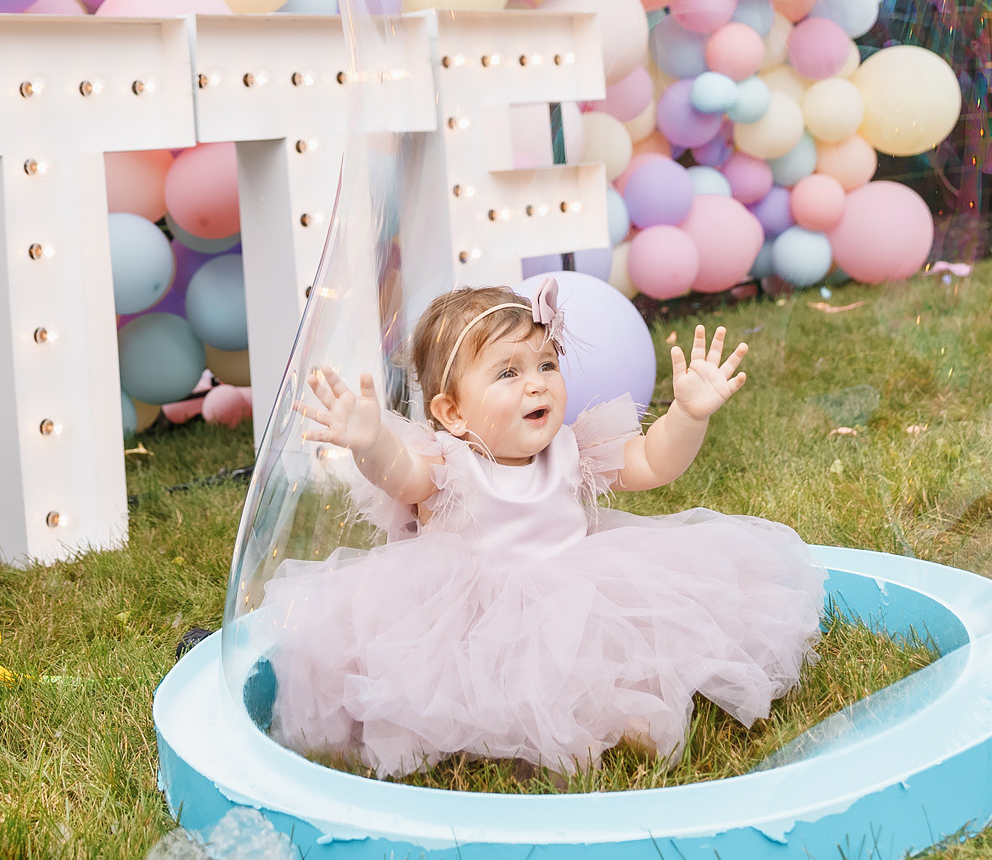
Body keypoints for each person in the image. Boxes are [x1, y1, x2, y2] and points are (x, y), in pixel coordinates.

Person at [263, 278, 824, 778]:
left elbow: (652, 463)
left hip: (574, 597)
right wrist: (371, 442)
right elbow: (401, 477)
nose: (537, 385)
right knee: (480, 690)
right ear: (453, 413)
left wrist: (688, 415)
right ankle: (503, 733)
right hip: (469, 618)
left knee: (598, 667)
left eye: (546, 365)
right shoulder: (446, 462)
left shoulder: (573, 448)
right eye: (509, 373)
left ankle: (613, 716)